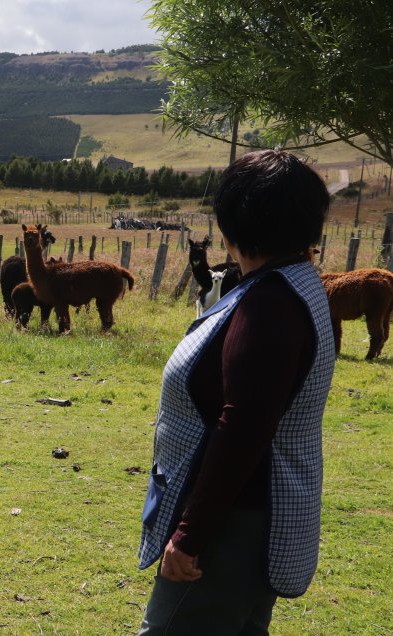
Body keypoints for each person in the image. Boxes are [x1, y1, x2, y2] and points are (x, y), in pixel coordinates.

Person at [137, 149, 336, 635]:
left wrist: (190, 534)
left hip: (233, 523)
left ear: (233, 225)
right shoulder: (299, 285)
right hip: (257, 510)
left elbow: (244, 426)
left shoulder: (268, 306)